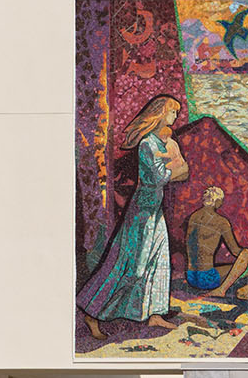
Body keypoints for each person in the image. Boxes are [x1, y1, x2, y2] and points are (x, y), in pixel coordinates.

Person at [79, 94, 188, 337]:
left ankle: (154, 314)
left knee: (159, 258)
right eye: (173, 112)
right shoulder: (148, 144)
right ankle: (92, 312)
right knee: (131, 265)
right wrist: (175, 164)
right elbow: (158, 179)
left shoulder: (161, 143)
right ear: (161, 114)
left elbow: (183, 172)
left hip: (154, 208)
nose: (176, 116)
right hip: (142, 211)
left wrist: (173, 164)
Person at [184, 186, 247, 292]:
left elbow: (189, 244)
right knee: (245, 269)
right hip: (207, 279)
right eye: (221, 201)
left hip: (191, 276)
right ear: (217, 201)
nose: (221, 204)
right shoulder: (221, 222)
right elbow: (235, 251)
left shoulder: (193, 217)